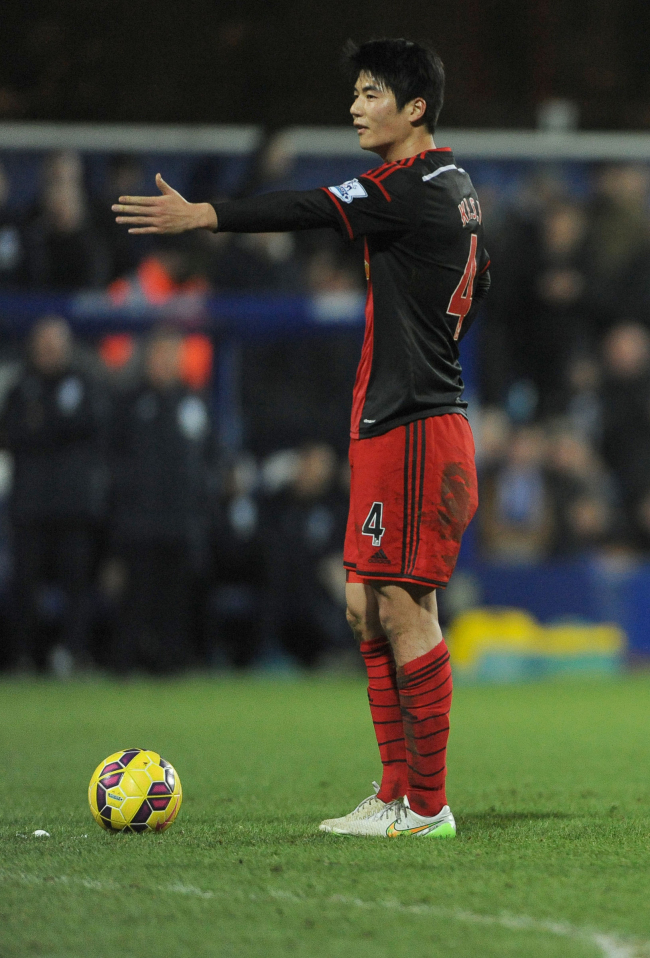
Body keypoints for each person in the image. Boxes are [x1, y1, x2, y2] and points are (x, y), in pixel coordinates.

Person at [113, 38, 490, 838]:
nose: (355, 106)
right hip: (395, 419)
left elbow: (312, 205)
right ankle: (392, 793)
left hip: (418, 423)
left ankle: (427, 807)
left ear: (414, 108)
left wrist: (205, 215)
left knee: (406, 610)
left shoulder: (406, 185)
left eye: (371, 93)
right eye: (353, 92)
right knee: (365, 607)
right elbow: (477, 281)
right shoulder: (453, 187)